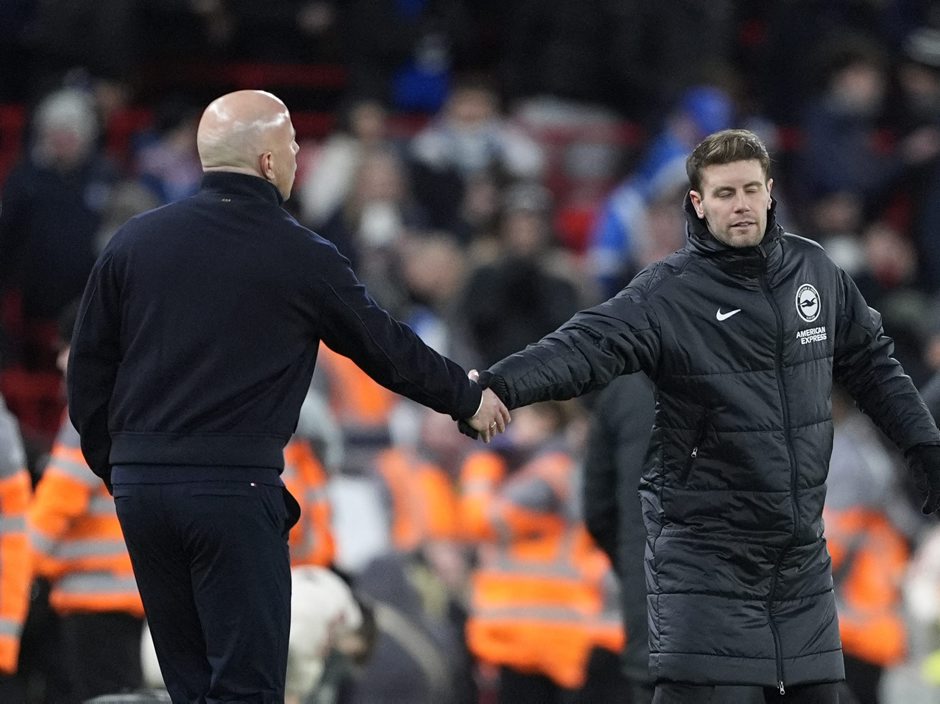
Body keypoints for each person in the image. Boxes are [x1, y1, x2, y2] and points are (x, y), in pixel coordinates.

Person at [460, 128, 940, 703]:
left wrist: (924, 448)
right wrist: (498, 386)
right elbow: (584, 346)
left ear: (770, 192)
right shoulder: (670, 292)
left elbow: (874, 365)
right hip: (706, 563)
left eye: (750, 190)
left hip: (799, 565)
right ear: (699, 203)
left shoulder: (814, 271)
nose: (740, 205)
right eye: (724, 194)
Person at [66, 89, 510, 704]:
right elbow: (385, 348)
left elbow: (87, 374)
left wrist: (122, 470)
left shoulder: (132, 243)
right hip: (232, 489)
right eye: (294, 145)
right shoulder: (299, 253)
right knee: (247, 689)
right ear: (269, 161)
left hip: (143, 493)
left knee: (187, 687)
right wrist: (466, 397)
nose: (300, 156)